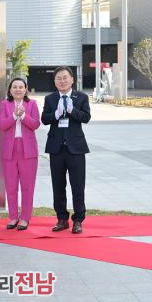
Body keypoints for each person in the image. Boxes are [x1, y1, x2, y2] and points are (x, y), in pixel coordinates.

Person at [41, 66, 91, 234]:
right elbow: (44, 119)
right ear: (55, 81)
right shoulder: (50, 98)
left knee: (78, 186)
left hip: (76, 148)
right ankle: (62, 219)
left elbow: (86, 117)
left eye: (65, 78)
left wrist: (72, 111)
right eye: (59, 78)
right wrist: (56, 114)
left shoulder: (81, 97)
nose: (62, 81)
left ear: (72, 80)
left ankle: (78, 220)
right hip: (56, 149)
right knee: (58, 186)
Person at [0, 78, 41, 231]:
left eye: (21, 87)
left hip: (27, 149)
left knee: (28, 186)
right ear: (10, 90)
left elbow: (35, 124)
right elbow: (2, 125)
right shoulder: (5, 104)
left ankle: (25, 218)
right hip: (9, 149)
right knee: (10, 186)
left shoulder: (32, 104)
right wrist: (14, 116)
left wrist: (22, 116)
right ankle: (13, 216)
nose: (18, 89)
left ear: (25, 89)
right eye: (14, 87)